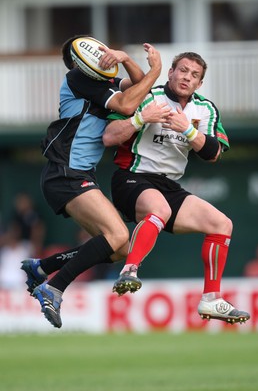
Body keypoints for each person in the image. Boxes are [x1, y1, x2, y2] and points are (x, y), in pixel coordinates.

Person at [21, 35, 166, 328]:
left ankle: (42, 267)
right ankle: (54, 287)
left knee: (120, 249)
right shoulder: (77, 77)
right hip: (65, 172)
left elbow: (137, 87)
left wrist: (125, 59)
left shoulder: (101, 84)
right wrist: (156, 71)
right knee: (118, 236)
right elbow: (128, 106)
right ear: (80, 62)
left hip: (77, 175)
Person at [103, 51, 250, 325]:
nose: (187, 77)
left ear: (200, 84)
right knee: (159, 208)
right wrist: (141, 119)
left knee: (222, 224)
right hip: (131, 176)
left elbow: (214, 153)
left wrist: (189, 131)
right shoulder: (149, 96)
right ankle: (130, 271)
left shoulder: (205, 109)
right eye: (182, 70)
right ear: (170, 72)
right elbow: (109, 137)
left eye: (194, 75)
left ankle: (211, 299)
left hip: (168, 185)